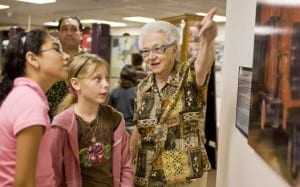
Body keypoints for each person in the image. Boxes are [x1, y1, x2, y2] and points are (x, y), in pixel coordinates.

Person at [130, 7, 218, 187]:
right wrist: (127, 162)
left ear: (174, 48)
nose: (151, 57)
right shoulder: (142, 87)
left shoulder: (188, 75)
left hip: (182, 172)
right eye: (146, 51)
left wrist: (207, 41)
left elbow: (203, 64)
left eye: (158, 49)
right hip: (146, 171)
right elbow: (139, 127)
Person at [50, 53, 133, 187]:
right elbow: (54, 174)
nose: (106, 84)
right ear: (76, 83)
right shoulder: (62, 125)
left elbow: (126, 166)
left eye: (107, 78)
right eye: (97, 79)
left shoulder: (115, 119)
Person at [0, 29, 70, 187]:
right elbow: (24, 183)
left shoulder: (24, 96)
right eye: (56, 49)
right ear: (32, 59)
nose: (66, 56)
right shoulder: (29, 102)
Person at [46, 16, 87, 119]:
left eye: (73, 29)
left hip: (82, 123)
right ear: (58, 33)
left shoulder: (90, 62)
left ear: (81, 35)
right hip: (51, 123)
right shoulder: (49, 60)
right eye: (64, 29)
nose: (69, 33)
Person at [108, 64, 138, 134]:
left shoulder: (114, 92)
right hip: (133, 128)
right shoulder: (137, 93)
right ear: (134, 77)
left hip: (117, 127)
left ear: (121, 77)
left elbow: (109, 112)